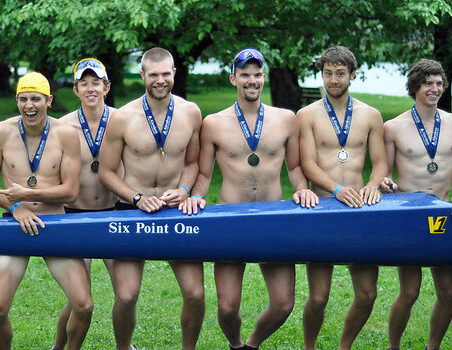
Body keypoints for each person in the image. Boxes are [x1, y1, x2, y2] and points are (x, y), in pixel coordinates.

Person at [178, 47, 318, 350]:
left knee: (283, 304)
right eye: (244, 75)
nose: (251, 80)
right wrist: (194, 196)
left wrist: (302, 188)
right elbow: (203, 174)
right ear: (233, 79)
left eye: (256, 74)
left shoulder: (286, 119)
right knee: (227, 308)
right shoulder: (213, 123)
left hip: (272, 219)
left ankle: (251, 345)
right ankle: (235, 343)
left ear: (263, 78)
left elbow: (294, 167)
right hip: (231, 219)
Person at [99, 47, 204, 350]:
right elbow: (106, 172)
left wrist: (184, 190)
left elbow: (192, 162)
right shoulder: (122, 117)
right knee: (127, 295)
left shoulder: (191, 112)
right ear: (143, 75)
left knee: (196, 294)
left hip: (174, 211)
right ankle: (124, 347)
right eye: (153, 75)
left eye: (165, 74)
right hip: (132, 211)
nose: (160, 80)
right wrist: (136, 198)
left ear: (174, 74)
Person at [0, 72, 92, 350]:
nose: (30, 106)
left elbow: (71, 191)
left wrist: (28, 194)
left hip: (55, 223)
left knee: (84, 305)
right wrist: (17, 207)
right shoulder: (0, 132)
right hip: (15, 225)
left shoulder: (66, 135)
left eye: (36, 99)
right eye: (24, 99)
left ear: (49, 100)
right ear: (17, 100)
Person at [297, 46, 387, 350]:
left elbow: (381, 163)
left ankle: (344, 346)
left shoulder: (371, 115)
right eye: (327, 73)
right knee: (318, 297)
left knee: (367, 294)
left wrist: (374, 183)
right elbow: (308, 164)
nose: (333, 79)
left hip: (359, 212)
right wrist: (336, 189)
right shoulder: (306, 115)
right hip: (322, 209)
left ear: (352, 74)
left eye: (339, 73)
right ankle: (309, 346)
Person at [381, 59, 452, 350]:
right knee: (409, 292)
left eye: (439, 83)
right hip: (411, 216)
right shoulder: (393, 127)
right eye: (428, 83)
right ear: (415, 86)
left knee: (447, 290)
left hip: (445, 213)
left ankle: (432, 347)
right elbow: (383, 170)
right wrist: (386, 183)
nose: (434, 89)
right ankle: (393, 346)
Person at [52, 58, 119, 350]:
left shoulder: (121, 121)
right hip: (74, 216)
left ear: (106, 86)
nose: (90, 88)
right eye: (84, 83)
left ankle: (124, 345)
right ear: (76, 89)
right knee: (78, 298)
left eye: (96, 82)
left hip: (113, 214)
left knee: (126, 293)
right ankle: (58, 347)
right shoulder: (61, 127)